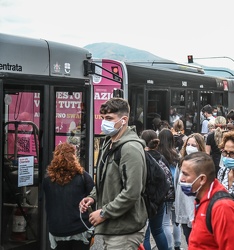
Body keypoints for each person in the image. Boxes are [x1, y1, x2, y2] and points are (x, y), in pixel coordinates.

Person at [79, 98, 147, 249]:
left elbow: (132, 192)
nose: (104, 123)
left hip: (125, 230)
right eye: (103, 118)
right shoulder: (108, 143)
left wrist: (103, 213)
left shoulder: (130, 148)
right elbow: (104, 180)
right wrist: (92, 197)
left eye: (109, 118)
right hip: (113, 228)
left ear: (124, 120)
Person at [179, 152, 234, 249]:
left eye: (185, 174)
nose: (181, 179)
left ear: (202, 179)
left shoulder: (223, 208)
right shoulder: (201, 199)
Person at [43, 142, 94, 250]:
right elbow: (94, 195)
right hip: (80, 229)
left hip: (57, 229)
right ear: (73, 157)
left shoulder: (48, 180)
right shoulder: (83, 177)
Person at [139, 130, 169, 250]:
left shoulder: (141, 157)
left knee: (145, 235)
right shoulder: (162, 157)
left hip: (144, 200)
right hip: (159, 200)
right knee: (158, 230)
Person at [174, 133, 206, 245]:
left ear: (200, 147)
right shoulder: (181, 163)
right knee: (189, 239)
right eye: (188, 144)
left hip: (196, 211)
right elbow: (176, 185)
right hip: (183, 209)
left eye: (194, 145)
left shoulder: (204, 165)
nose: (190, 147)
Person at [158, 128, 181, 250]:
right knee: (176, 220)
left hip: (166, 191)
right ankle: (177, 244)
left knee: (165, 222)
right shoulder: (176, 153)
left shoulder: (158, 154)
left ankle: (170, 247)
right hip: (176, 189)